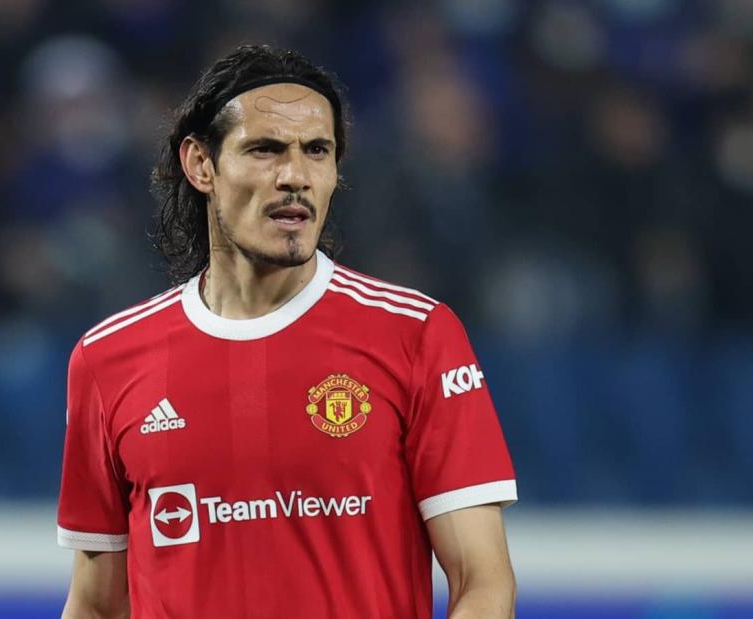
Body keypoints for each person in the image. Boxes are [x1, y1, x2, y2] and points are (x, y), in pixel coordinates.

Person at [57, 44, 517, 618]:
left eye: (316, 151)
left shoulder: (416, 335)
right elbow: (97, 604)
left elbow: (482, 583)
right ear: (201, 164)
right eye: (265, 149)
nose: (295, 176)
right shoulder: (107, 360)